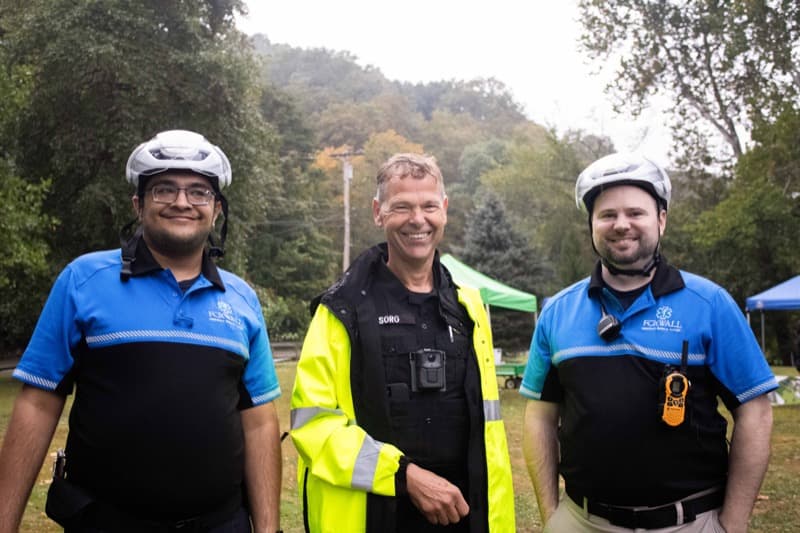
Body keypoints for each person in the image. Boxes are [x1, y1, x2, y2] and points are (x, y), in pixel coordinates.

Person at [0, 130, 283, 532]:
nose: (182, 202)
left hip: (221, 524)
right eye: (164, 189)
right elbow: (37, 403)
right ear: (138, 203)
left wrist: (269, 528)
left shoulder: (242, 298)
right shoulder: (83, 280)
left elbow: (258, 420)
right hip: (104, 522)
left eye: (199, 192)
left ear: (216, 209)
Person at [520, 152, 778, 533]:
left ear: (661, 219)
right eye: (607, 215)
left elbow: (756, 413)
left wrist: (733, 524)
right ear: (591, 224)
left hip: (689, 521)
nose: (621, 224)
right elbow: (539, 417)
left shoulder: (710, 304)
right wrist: (551, 515)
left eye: (635, 212)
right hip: (581, 520)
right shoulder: (558, 312)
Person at [289, 153, 515, 532]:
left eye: (428, 205)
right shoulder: (341, 311)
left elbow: (488, 430)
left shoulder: (469, 306)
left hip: (463, 515)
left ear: (444, 209)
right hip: (375, 516)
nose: (417, 220)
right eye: (401, 207)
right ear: (378, 212)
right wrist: (404, 476)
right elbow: (315, 427)